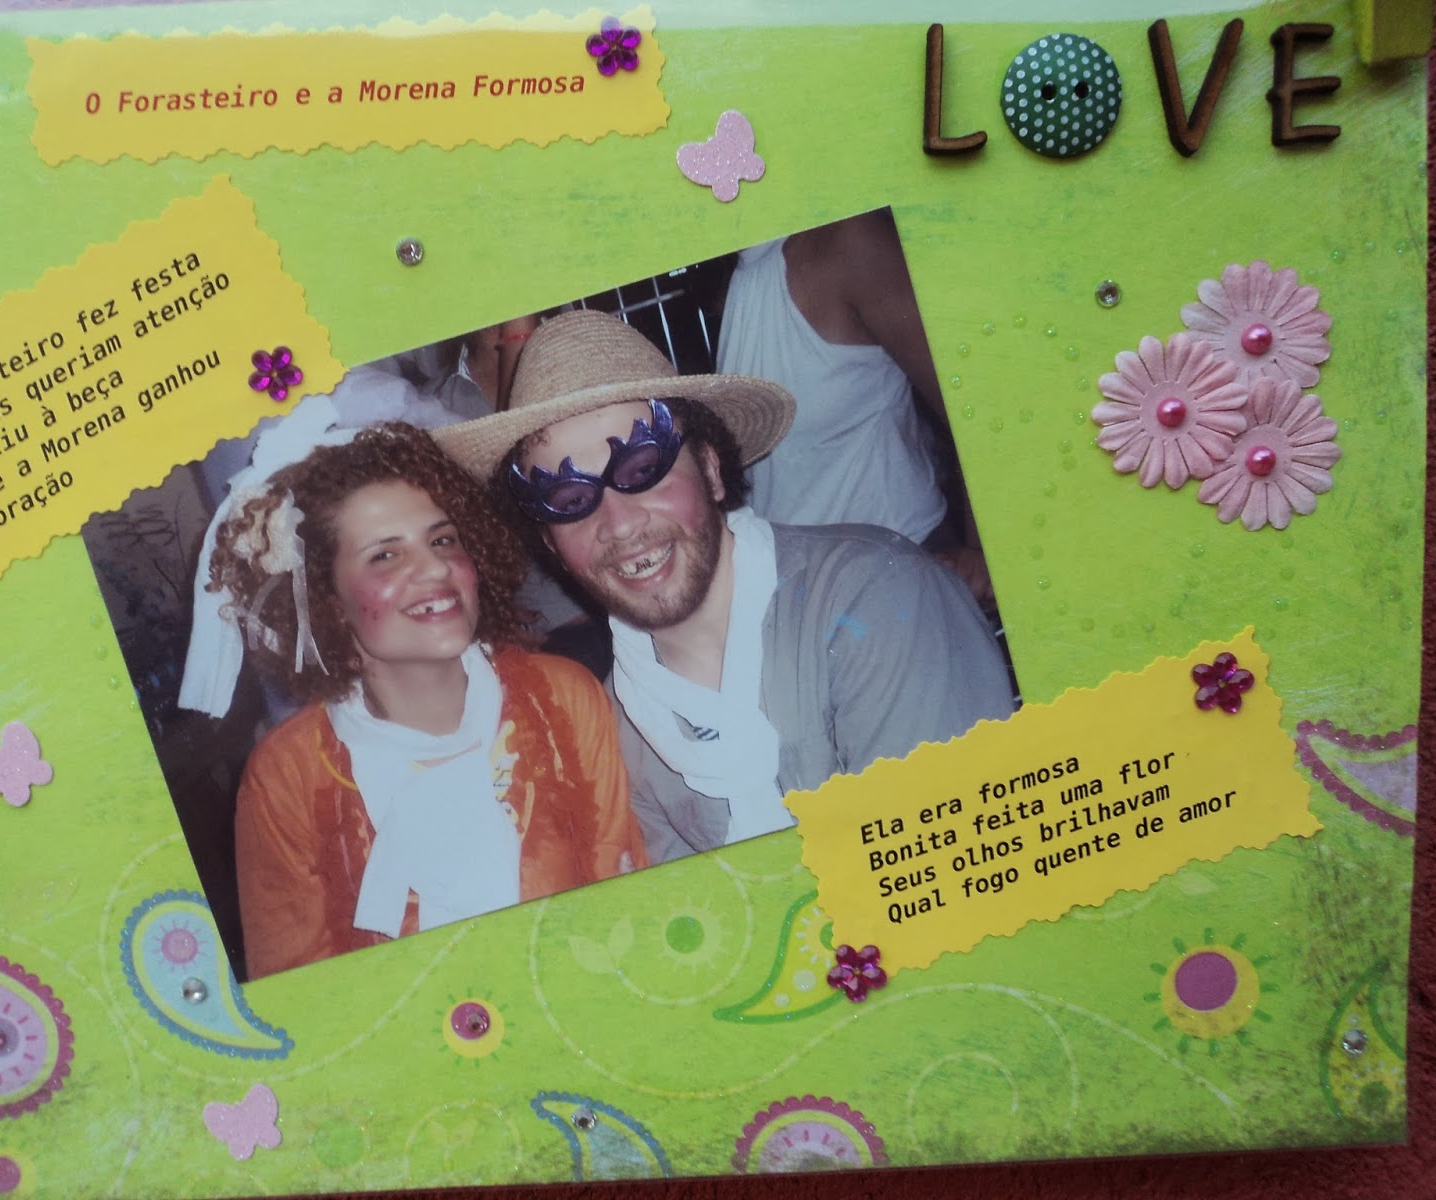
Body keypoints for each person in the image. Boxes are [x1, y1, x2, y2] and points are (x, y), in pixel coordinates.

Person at [436, 311, 1014, 865]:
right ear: (550, 542)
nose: (620, 524)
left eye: (642, 469)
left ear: (711, 470)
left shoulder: (879, 604)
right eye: (570, 499)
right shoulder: (621, 725)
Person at [183, 398, 645, 979]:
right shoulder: (286, 776)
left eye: (443, 541)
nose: (434, 569)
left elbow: (622, 910)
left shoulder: (566, 699)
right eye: (385, 555)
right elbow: (305, 994)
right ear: (328, 600)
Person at [717, 210, 993, 603]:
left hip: (903, 573)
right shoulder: (744, 274)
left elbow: (974, 399)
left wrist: (986, 554)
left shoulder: (846, 239)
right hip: (809, 599)